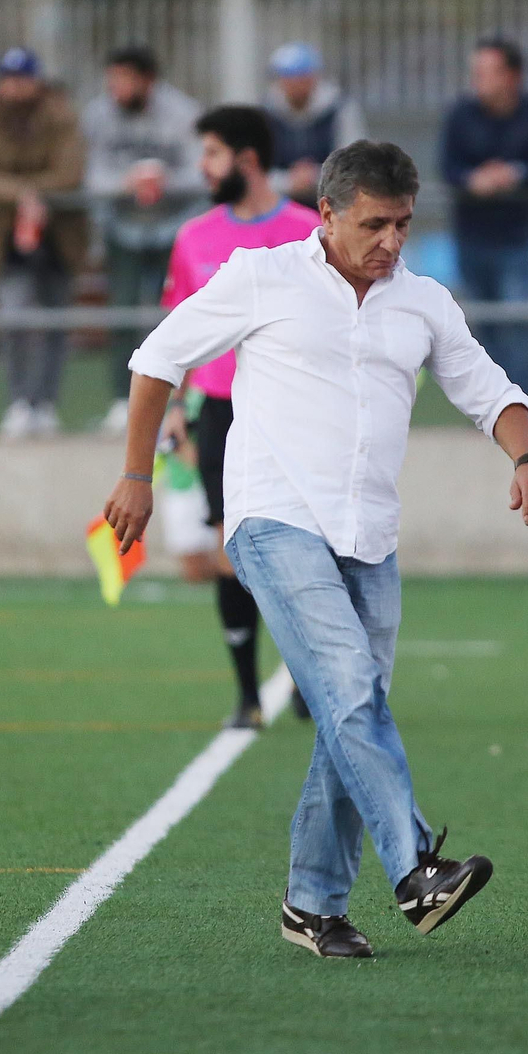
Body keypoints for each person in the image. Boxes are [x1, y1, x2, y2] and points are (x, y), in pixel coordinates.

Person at [103, 140, 528, 958]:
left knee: (355, 717)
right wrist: (137, 474)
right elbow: (157, 359)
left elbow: (491, 390)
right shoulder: (260, 277)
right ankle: (416, 864)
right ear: (328, 214)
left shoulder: (423, 302)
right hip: (272, 519)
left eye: (404, 224)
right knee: (350, 689)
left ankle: (311, 907)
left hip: (370, 538)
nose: (391, 240)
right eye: (375, 223)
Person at [157, 105, 321, 728]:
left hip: (295, 412)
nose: (202, 167)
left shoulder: (309, 231)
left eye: (213, 154)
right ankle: (249, 697)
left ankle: (310, 680)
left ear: (247, 160)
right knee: (230, 547)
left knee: (304, 546)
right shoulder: (193, 237)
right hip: (219, 411)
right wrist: (176, 406)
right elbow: (176, 329)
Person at [0, 48, 88, 439]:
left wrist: (33, 193)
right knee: (13, 319)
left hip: (58, 233)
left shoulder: (61, 116)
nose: (16, 87)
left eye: (24, 78)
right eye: (9, 79)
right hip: (3, 234)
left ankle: (45, 404)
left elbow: (70, 171)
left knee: (54, 321)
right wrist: (22, 195)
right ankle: (18, 403)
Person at [82, 45, 204, 435]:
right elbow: (89, 174)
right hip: (123, 229)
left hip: (172, 228)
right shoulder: (98, 115)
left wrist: (164, 182)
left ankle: (176, 399)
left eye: (126, 79)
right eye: (112, 79)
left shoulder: (183, 113)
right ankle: (123, 399)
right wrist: (126, 184)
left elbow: (201, 171)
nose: (117, 87)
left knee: (175, 315)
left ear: (148, 81)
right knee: (122, 313)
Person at [439, 37, 528, 401]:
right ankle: (488, 409)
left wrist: (512, 174)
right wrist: (473, 180)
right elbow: (448, 168)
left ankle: (522, 409)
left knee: (518, 325)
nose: (479, 79)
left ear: (513, 75)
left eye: (487, 71)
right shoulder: (461, 114)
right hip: (470, 237)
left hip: (516, 239)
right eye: (476, 71)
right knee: (480, 328)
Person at [262, 42, 366, 209]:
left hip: (332, 206)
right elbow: (256, 173)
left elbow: (354, 164)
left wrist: (315, 177)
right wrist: (289, 182)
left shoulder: (339, 110)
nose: (295, 85)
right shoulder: (264, 114)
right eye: (289, 79)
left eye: (302, 78)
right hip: (276, 207)